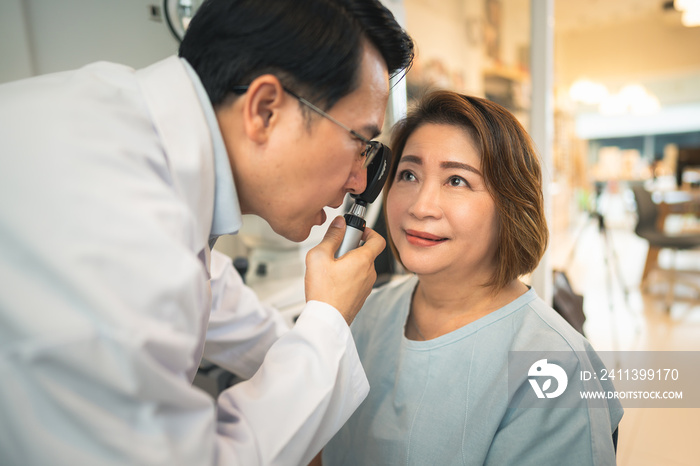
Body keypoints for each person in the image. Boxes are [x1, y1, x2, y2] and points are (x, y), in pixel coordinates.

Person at [0, 1, 413, 464]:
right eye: (359, 141)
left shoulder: (122, 124)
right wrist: (325, 324)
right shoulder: (111, 220)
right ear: (264, 111)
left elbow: (207, 289)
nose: (361, 182)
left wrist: (311, 342)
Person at [319, 90, 623, 465]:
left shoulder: (553, 364)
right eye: (408, 174)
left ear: (510, 206)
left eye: (457, 181)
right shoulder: (362, 312)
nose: (420, 206)